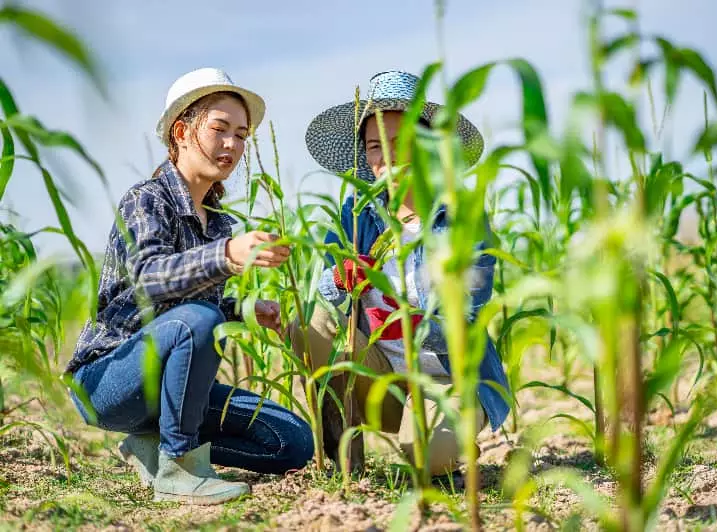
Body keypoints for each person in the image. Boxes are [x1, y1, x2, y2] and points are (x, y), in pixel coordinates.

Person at [64, 68, 313, 505]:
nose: (232, 145)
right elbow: (150, 279)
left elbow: (201, 306)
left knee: (291, 442)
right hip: (110, 379)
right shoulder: (146, 199)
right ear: (182, 132)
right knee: (200, 320)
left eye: (241, 134)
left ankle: (151, 448)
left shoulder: (219, 224)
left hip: (170, 386)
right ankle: (178, 467)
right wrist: (228, 256)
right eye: (220, 129)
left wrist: (248, 309)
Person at [295, 70, 510, 476]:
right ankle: (344, 459)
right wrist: (341, 280)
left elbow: (467, 317)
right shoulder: (354, 215)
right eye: (375, 146)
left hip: (445, 379)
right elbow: (325, 294)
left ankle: (454, 441)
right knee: (310, 324)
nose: (387, 157)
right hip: (382, 378)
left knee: (429, 460)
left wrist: (411, 323)